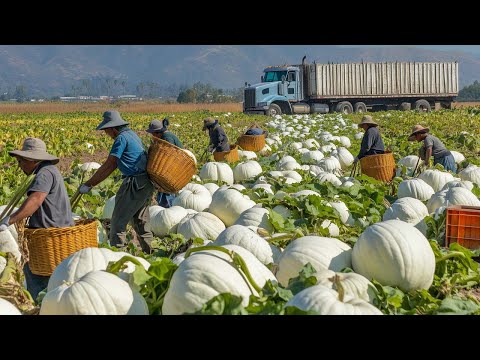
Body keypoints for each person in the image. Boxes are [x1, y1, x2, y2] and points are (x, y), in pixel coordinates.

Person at [0, 137, 74, 299]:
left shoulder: (44, 173)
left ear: (31, 159)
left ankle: (37, 305)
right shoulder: (48, 171)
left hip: (48, 233)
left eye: (21, 161)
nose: (19, 166)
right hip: (55, 230)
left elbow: (35, 200)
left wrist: (8, 221)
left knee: (36, 275)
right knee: (47, 275)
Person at [79, 110, 154, 253]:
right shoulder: (131, 134)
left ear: (113, 128)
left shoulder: (121, 138)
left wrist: (89, 184)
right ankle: (150, 254)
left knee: (117, 224)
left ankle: (118, 258)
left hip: (134, 184)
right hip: (146, 183)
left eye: (106, 130)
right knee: (140, 222)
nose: (106, 134)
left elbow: (111, 164)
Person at [146, 118, 183, 207]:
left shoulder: (167, 137)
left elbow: (168, 154)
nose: (152, 136)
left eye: (153, 134)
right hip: (173, 164)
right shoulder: (164, 136)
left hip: (175, 164)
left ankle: (168, 208)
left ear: (157, 132)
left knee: (166, 188)